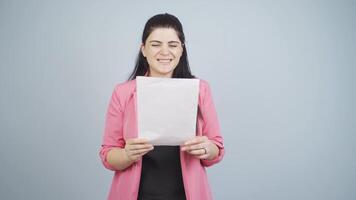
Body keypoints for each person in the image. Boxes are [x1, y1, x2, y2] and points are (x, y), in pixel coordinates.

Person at [99, 13, 225, 200]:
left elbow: (217, 148)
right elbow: (108, 153)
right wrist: (127, 154)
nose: (165, 52)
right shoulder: (123, 93)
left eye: (173, 45)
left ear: (182, 49)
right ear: (143, 49)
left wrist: (207, 148)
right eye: (156, 44)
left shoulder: (200, 89)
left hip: (187, 195)